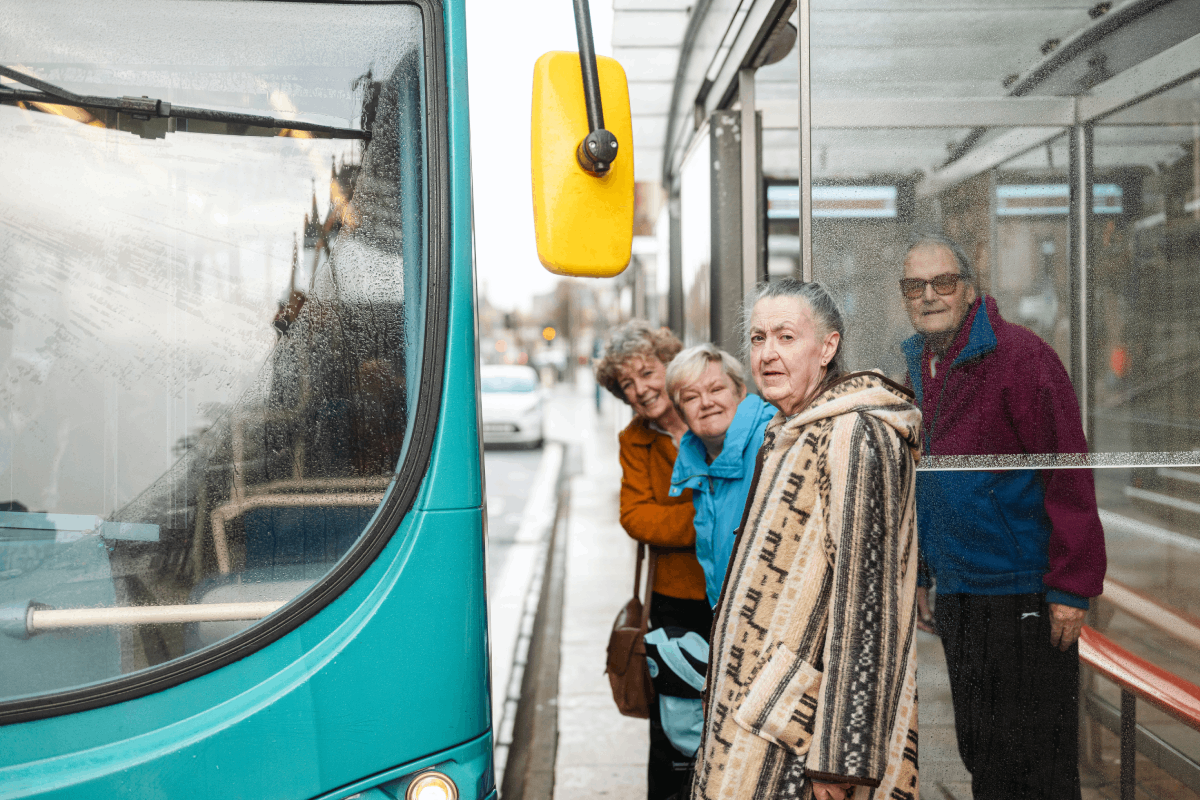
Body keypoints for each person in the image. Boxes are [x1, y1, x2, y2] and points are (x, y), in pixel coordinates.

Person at [693, 280, 921, 800]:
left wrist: (840, 762)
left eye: (786, 337)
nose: (767, 354)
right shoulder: (794, 425)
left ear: (827, 348)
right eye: (757, 339)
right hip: (761, 722)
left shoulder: (856, 434)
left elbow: (868, 605)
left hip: (801, 740)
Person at [898, 232, 1107, 800]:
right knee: (984, 752)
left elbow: (1068, 471)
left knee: (1037, 762)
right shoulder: (920, 362)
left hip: (1022, 592)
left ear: (968, 290)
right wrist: (922, 571)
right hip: (962, 592)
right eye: (914, 286)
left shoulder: (1019, 357)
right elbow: (924, 479)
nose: (929, 296)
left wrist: (1070, 586)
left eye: (943, 282)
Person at [595, 320, 710, 800]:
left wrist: (678, 516)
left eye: (647, 372)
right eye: (627, 383)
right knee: (674, 733)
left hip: (738, 594)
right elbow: (637, 518)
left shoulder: (715, 415)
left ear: (670, 364)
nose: (641, 389)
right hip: (675, 602)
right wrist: (711, 518)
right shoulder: (635, 442)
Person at [665, 344, 775, 608]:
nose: (706, 403)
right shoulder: (699, 464)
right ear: (680, 413)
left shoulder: (771, 443)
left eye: (716, 389)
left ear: (740, 392)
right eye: (691, 397)